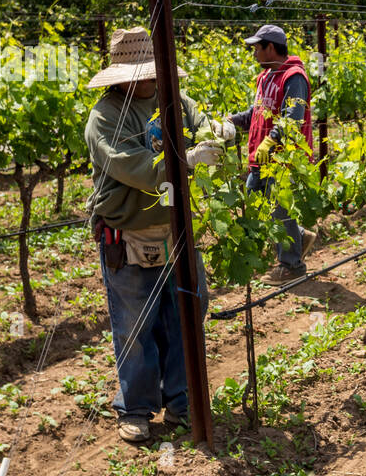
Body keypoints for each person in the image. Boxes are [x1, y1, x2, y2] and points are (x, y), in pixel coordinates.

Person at [84, 26, 237, 443]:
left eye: (153, 71)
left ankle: (181, 402)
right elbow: (133, 168)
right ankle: (134, 408)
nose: (149, 78)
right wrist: (184, 160)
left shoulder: (177, 100)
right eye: (142, 72)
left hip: (177, 229)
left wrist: (218, 134)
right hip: (128, 233)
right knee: (135, 326)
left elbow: (204, 126)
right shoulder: (106, 116)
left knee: (187, 312)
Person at [227, 24, 318, 283]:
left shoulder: (294, 77)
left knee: (278, 210)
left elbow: (294, 117)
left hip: (282, 160)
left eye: (257, 48)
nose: (254, 53)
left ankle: (292, 266)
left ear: (271, 48)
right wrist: (231, 121)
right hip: (259, 156)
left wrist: (272, 140)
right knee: (257, 205)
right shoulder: (265, 77)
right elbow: (255, 113)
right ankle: (299, 236)